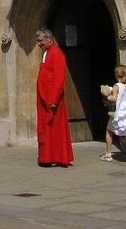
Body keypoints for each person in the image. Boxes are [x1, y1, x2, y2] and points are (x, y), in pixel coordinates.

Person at [34, 28, 74, 167]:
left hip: (51, 100)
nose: (39, 44)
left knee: (54, 130)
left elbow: (59, 78)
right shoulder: (47, 53)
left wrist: (53, 99)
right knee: (46, 130)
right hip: (44, 99)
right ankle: (47, 157)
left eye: (40, 41)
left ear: (49, 39)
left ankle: (56, 156)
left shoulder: (56, 54)